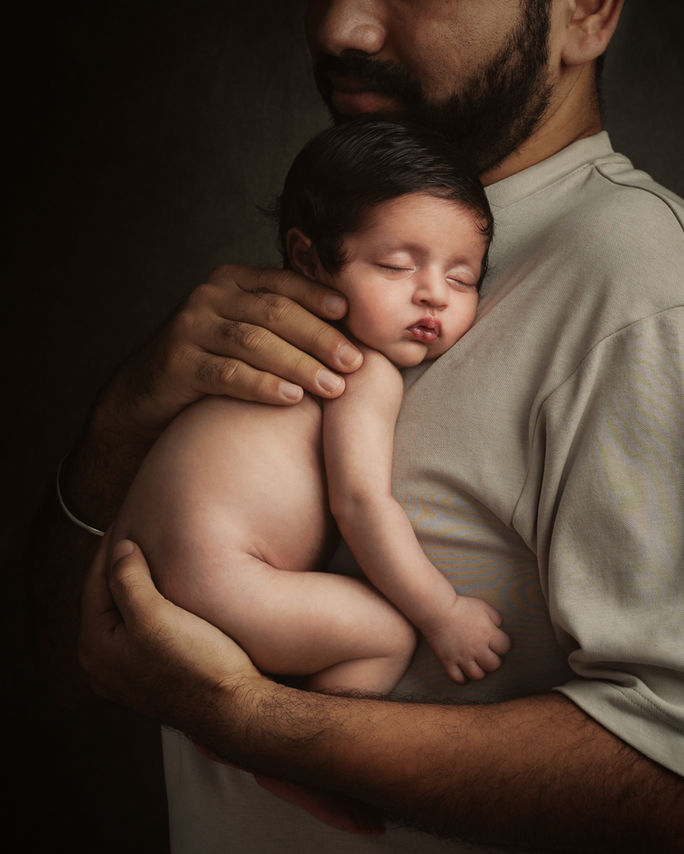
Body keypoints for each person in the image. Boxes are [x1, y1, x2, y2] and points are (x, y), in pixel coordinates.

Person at [33, 0, 683, 851]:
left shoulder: (639, 286)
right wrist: (126, 419)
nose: (340, 28)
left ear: (586, 11)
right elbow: (74, 667)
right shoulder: (361, 241)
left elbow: (669, 774)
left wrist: (251, 720)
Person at [109, 119, 505, 697]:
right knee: (389, 635)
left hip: (138, 561)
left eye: (463, 276)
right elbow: (361, 503)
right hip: (223, 580)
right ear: (311, 259)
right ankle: (306, 769)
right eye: (396, 265)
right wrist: (442, 614)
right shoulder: (358, 366)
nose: (434, 293)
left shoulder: (248, 329)